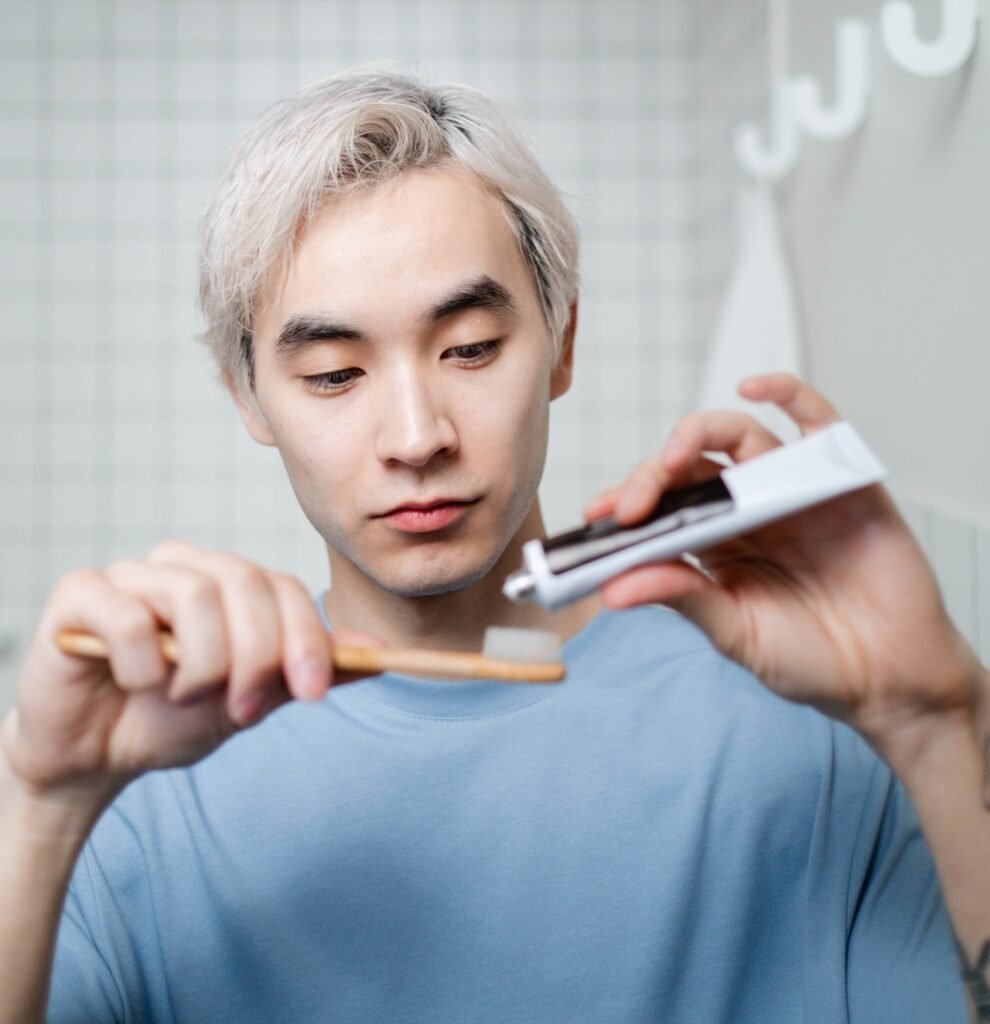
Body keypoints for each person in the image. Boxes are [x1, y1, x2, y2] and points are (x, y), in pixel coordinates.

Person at [1, 68, 987, 1023]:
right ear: (249, 396)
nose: (416, 435)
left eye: (470, 348)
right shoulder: (139, 776)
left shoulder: (807, 721)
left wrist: (940, 721)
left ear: (561, 340)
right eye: (336, 373)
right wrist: (38, 803)